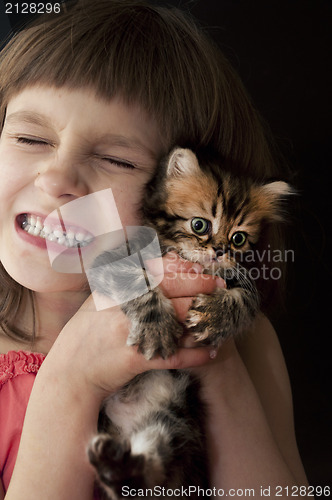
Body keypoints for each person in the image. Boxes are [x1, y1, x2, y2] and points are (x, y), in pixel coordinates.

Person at [0, 1, 309, 498]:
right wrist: (71, 381)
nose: (56, 178)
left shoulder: (248, 344)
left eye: (115, 158)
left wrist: (218, 365)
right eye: (29, 137)